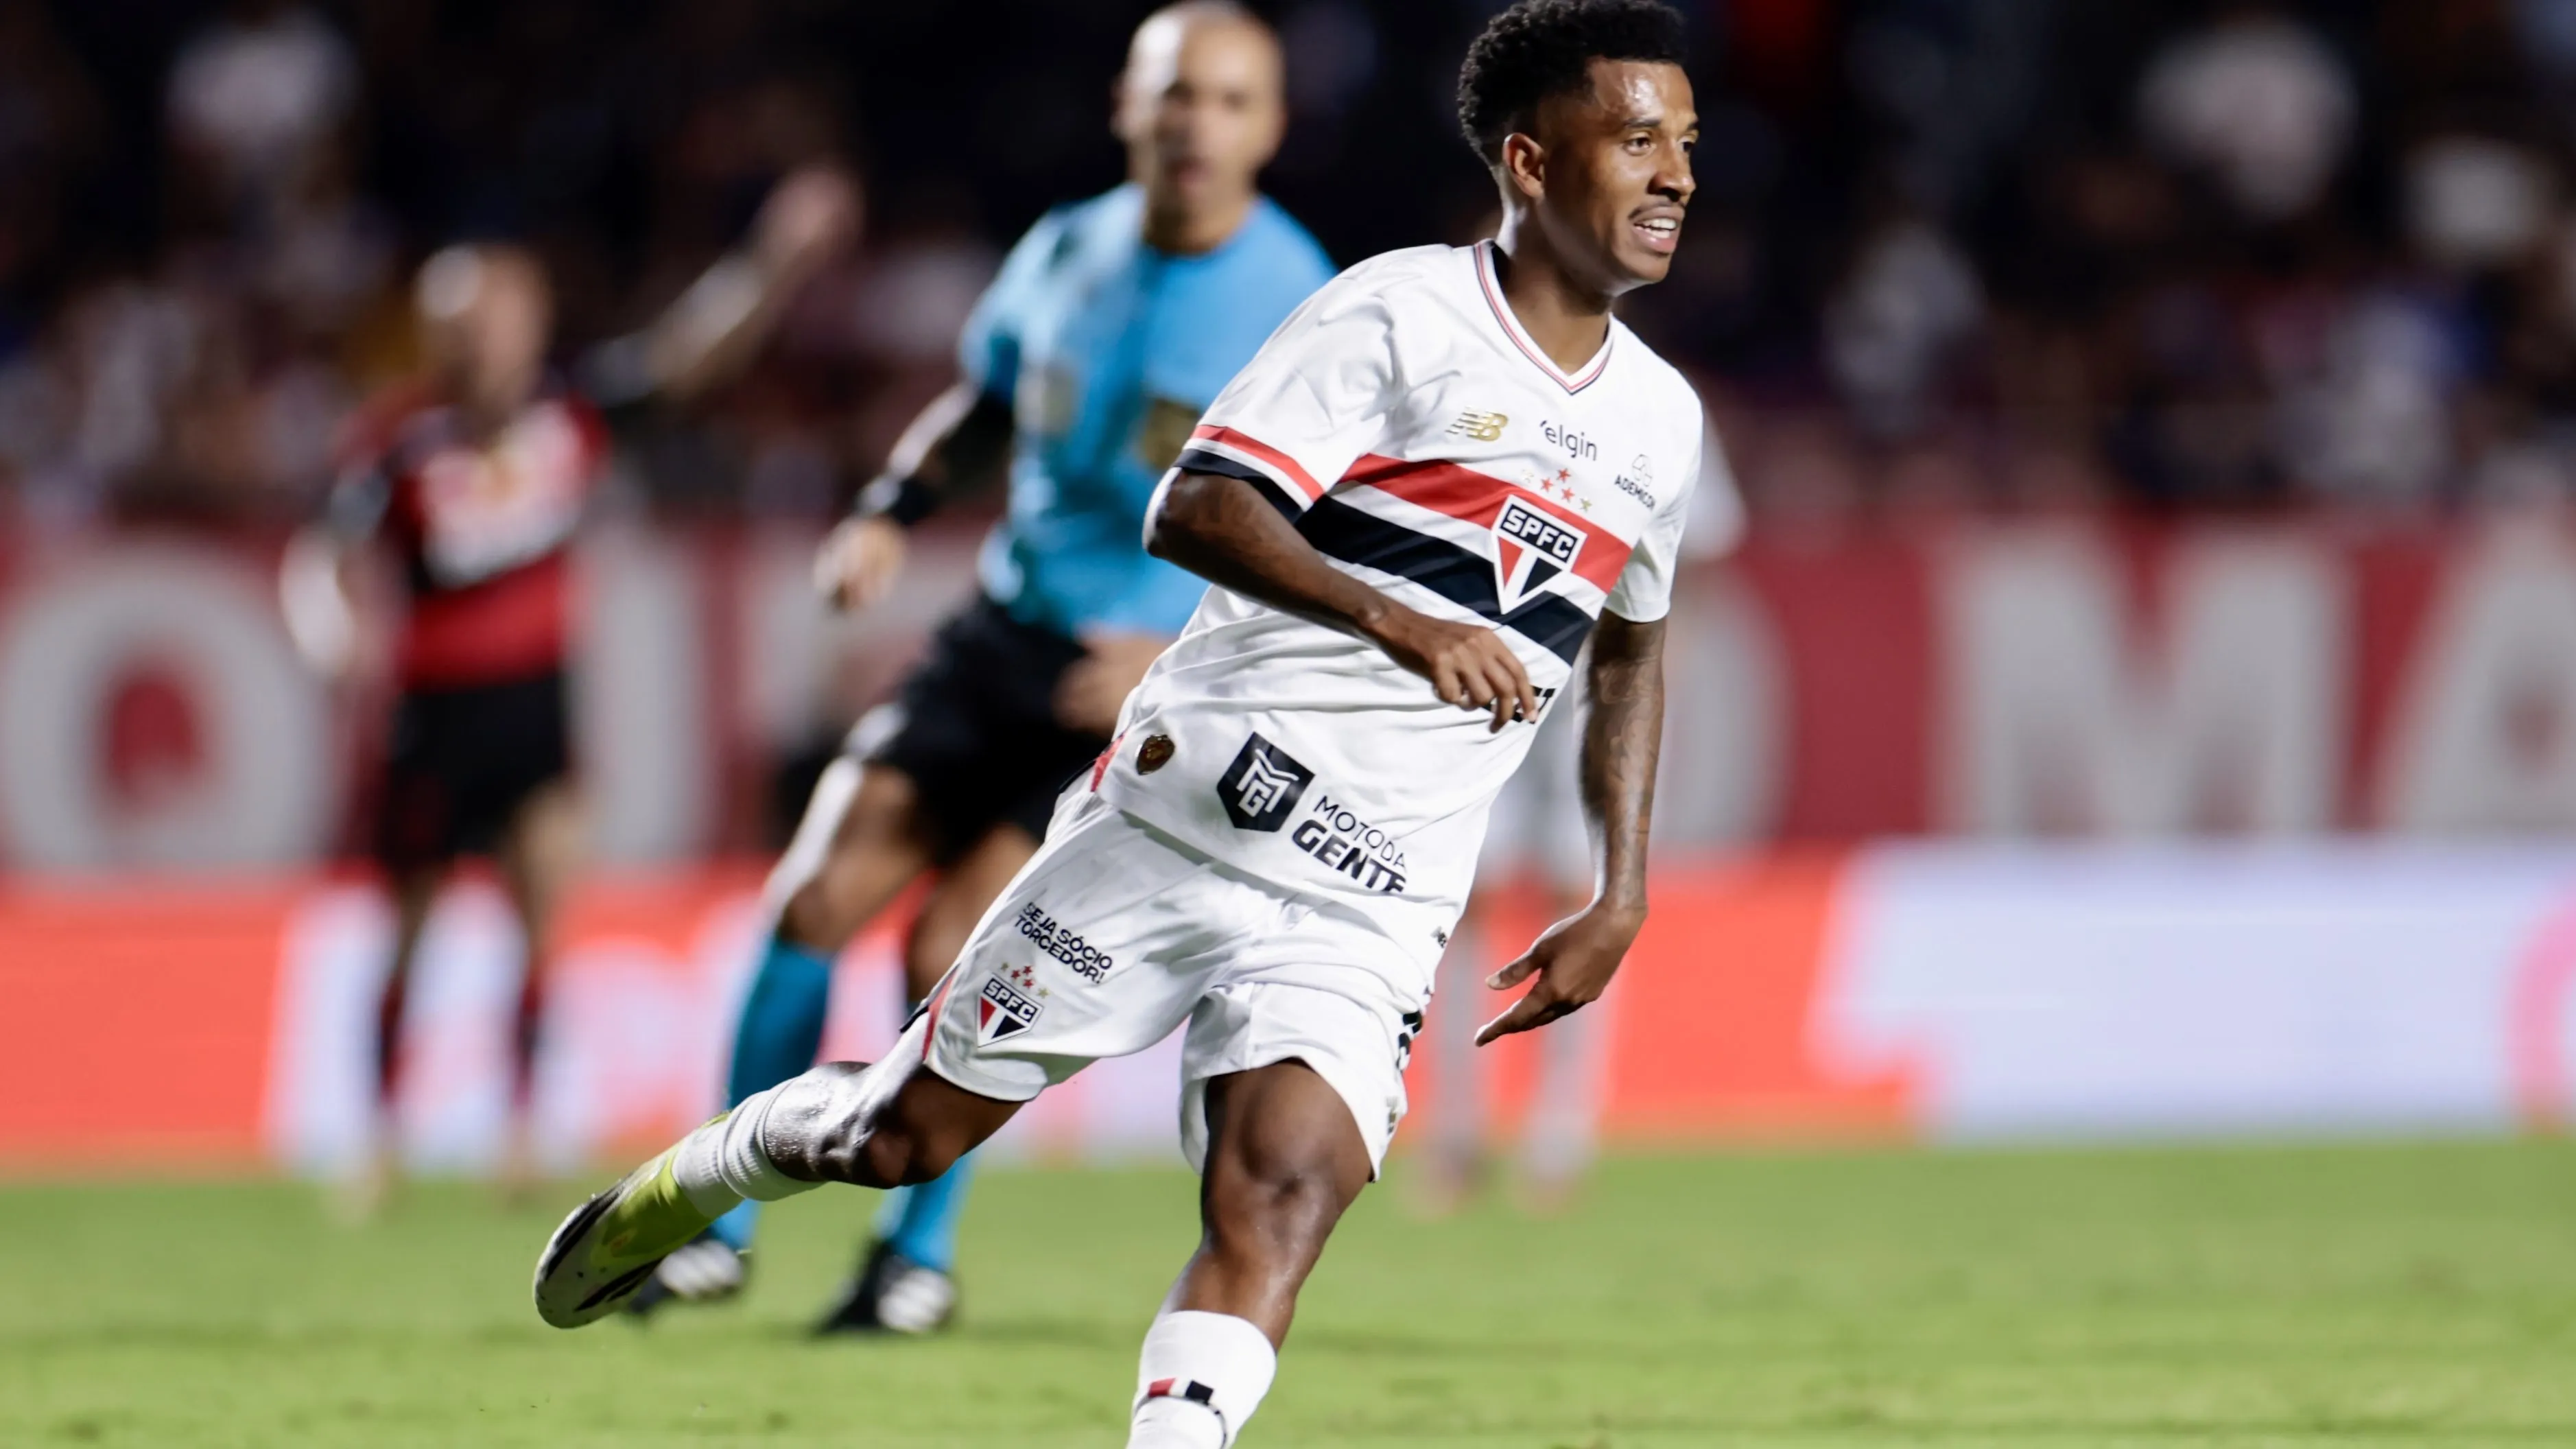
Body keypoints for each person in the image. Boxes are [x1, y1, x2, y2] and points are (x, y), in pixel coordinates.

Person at [536, 4, 1702, 1446]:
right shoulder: (1394, 313)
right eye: (1637, 140)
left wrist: (1620, 889)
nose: (1674, 175)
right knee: (897, 1135)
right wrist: (1405, 622)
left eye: (1685, 144)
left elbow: (1631, 653)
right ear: (1528, 161)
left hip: (1375, 895)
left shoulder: (1660, 422)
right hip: (1189, 813)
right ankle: (704, 1179)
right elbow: (1196, 506)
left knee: (1281, 1194)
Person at [627, 1, 1334, 1334]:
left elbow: (1334, 530)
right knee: (812, 897)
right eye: (1176, 94)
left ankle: (916, 1259)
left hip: (1134, 684)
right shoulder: (1064, 249)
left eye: (1230, 100)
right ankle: (713, 1228)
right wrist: (889, 507)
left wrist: (1177, 652)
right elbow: (988, 406)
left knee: (952, 947)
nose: (1197, 124)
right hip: (1002, 634)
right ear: (1127, 107)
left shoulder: (1303, 304)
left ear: (1270, 129)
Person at [281, 167, 858, 1216]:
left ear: (530, 322)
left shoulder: (571, 415)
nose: (479, 342)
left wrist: (772, 264)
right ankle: (375, 1136)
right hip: (430, 717)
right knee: (408, 935)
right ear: (432, 335)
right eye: (459, 325)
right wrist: (329, 631)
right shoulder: (400, 441)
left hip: (538, 708)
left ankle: (517, 1132)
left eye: (495, 319)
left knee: (540, 923)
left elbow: (688, 356)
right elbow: (321, 555)